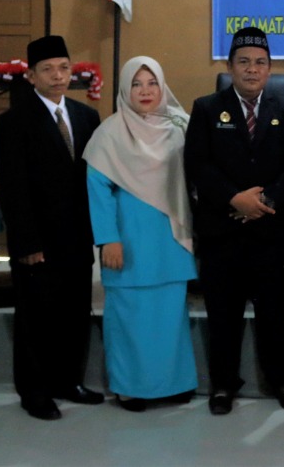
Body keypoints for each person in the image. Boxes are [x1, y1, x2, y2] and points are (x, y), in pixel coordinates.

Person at [187, 28, 284, 415]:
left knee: (274, 314)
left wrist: (264, 201)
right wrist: (234, 198)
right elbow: (197, 164)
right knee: (223, 315)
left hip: (270, 232)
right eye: (244, 62)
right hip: (222, 231)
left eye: (259, 63)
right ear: (229, 67)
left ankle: (283, 381)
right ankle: (223, 385)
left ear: (270, 69)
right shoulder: (206, 108)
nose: (252, 69)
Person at [0, 35, 103, 421]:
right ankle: (35, 391)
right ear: (31, 76)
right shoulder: (14, 121)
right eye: (47, 69)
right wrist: (25, 242)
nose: (57, 76)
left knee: (75, 313)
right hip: (38, 241)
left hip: (78, 238)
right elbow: (13, 187)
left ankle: (68, 381)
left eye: (63, 68)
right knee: (36, 317)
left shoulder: (87, 117)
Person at [84, 56, 198, 412]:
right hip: (129, 240)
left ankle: (174, 384)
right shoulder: (109, 133)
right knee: (130, 317)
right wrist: (108, 238)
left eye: (152, 83)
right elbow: (97, 190)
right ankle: (130, 388)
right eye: (136, 84)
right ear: (125, 89)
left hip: (170, 239)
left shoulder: (180, 127)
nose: (145, 91)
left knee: (169, 317)